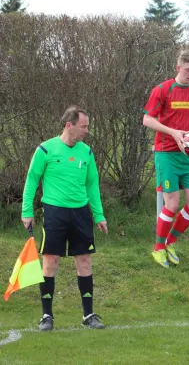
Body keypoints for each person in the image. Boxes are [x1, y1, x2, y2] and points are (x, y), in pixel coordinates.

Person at [21, 106, 108, 332]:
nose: (87, 131)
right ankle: (46, 316)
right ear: (69, 125)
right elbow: (32, 180)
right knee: (51, 262)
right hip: (55, 213)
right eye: (84, 126)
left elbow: (92, 185)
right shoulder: (46, 150)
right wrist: (26, 211)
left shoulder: (87, 153)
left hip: (81, 214)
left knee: (85, 262)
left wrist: (99, 215)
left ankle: (88, 315)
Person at [143, 49, 189, 268]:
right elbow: (147, 119)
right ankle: (158, 249)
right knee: (171, 204)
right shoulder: (162, 90)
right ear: (178, 68)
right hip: (166, 154)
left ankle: (169, 243)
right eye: (188, 70)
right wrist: (172, 132)